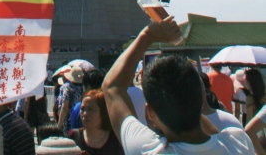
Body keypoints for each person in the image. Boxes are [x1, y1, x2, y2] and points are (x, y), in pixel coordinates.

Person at [102, 16, 253, 155]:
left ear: (150, 112)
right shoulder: (239, 142)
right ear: (201, 100)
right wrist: (187, 103)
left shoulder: (148, 150)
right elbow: (215, 138)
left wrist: (147, 35)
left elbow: (112, 87)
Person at [71, 89, 124, 155]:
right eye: (82, 109)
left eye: (90, 109)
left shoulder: (116, 139)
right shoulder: (74, 137)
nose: (85, 113)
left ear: (103, 112)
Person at [57, 65, 84, 135]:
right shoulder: (84, 88)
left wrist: (59, 124)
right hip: (81, 118)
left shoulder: (67, 87)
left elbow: (65, 107)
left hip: (69, 120)